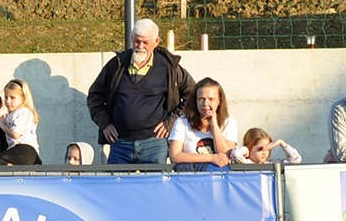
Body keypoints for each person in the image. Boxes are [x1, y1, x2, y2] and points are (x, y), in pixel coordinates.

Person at [86, 18, 196, 165]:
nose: (140, 46)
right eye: (136, 41)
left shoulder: (170, 68)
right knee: (116, 181)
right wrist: (105, 123)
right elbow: (95, 96)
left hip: (155, 144)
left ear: (157, 42)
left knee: (154, 181)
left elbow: (193, 95)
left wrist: (171, 122)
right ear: (131, 39)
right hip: (120, 143)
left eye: (145, 42)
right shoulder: (117, 65)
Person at [168, 78, 239, 170]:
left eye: (211, 99)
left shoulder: (229, 122)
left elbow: (225, 156)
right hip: (191, 174)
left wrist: (214, 126)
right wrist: (211, 158)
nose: (205, 103)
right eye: (201, 99)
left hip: (218, 176)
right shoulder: (182, 122)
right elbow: (175, 156)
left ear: (219, 101)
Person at [0, 79, 41, 161]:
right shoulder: (15, 114)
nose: (8, 101)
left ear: (23, 98)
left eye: (12, 98)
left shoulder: (22, 112)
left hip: (24, 150)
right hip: (22, 151)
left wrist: (3, 125)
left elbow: (16, 134)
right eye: (6, 97)